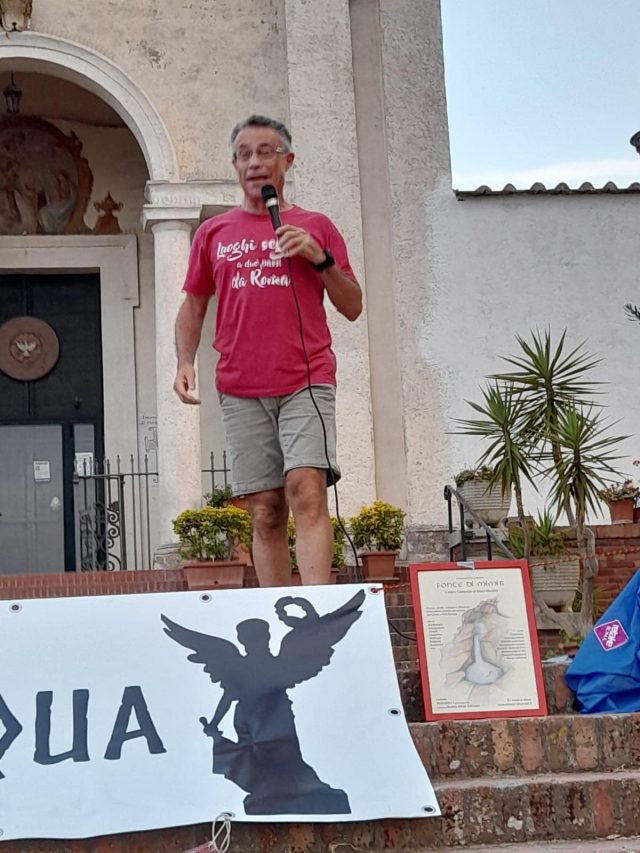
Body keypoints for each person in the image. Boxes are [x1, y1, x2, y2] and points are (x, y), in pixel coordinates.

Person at [173, 115, 362, 587]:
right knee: (265, 510)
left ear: (287, 161)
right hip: (241, 387)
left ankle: (318, 610)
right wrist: (184, 361)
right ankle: (279, 613)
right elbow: (194, 305)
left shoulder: (316, 226)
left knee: (307, 490)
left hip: (306, 380)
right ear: (235, 165)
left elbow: (353, 306)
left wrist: (321, 259)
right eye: (244, 154)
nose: (254, 162)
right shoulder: (213, 234)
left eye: (265, 151)